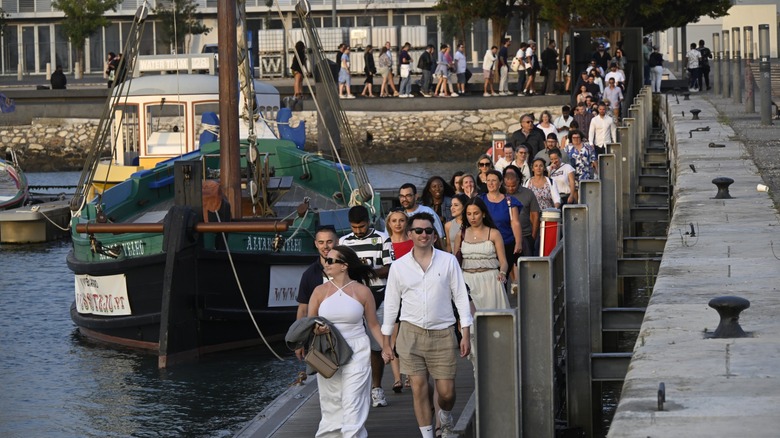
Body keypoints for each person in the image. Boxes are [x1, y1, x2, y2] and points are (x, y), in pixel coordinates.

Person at [381, 212, 473, 438]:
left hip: (443, 333)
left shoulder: (448, 260)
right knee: (419, 388)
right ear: (410, 234)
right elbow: (391, 306)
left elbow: (460, 297)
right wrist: (386, 342)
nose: (424, 234)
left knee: (447, 393)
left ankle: (445, 415)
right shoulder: (399, 267)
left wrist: (466, 333)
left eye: (429, 231)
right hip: (410, 333)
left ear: (434, 235)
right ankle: (428, 434)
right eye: (419, 231)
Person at [306, 245, 386, 437]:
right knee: (331, 400)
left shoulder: (362, 291)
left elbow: (373, 325)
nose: (326, 263)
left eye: (331, 260)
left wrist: (386, 347)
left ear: (344, 266)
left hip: (357, 349)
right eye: (326, 260)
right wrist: (317, 328)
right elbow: (309, 322)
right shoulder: (319, 291)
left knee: (353, 399)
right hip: (327, 349)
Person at [339, 206, 393, 408]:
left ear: (368, 221)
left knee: (375, 346)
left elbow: (390, 267)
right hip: (352, 298)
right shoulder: (344, 242)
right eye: (354, 227)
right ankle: (355, 389)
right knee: (351, 344)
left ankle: (377, 388)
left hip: (377, 295)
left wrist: (365, 272)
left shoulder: (382, 239)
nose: (359, 230)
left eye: (361, 226)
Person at [454, 197, 510, 309]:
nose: (472, 217)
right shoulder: (460, 234)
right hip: (467, 281)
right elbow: (455, 262)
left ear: (483, 214)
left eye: (476, 213)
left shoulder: (494, 234)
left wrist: (502, 273)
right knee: (471, 321)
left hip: (490, 281)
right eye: (469, 214)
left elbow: (503, 262)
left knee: (494, 320)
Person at [294, 226, 339, 359]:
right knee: (325, 375)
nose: (325, 246)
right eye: (321, 242)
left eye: (329, 242)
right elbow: (303, 309)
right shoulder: (309, 275)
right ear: (315, 244)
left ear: (337, 242)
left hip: (349, 331)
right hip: (321, 336)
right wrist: (299, 341)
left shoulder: (348, 270)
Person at [384, 208, 412, 393]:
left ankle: (410, 374)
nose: (398, 224)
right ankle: (396, 378)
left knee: (408, 335)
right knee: (393, 335)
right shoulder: (386, 244)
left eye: (401, 220)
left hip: (410, 292)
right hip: (393, 292)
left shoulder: (412, 242)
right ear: (389, 223)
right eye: (394, 220)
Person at [478, 170, 523, 270]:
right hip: (485, 245)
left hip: (506, 243)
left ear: (500, 182)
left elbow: (515, 223)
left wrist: (518, 242)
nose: (490, 183)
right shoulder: (480, 200)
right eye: (488, 180)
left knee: (503, 276)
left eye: (493, 180)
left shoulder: (510, 201)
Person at [502, 165, 540, 260]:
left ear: (518, 181)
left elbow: (535, 216)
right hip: (505, 236)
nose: (510, 188)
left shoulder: (528, 193)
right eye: (508, 186)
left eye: (513, 186)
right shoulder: (500, 195)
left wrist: (533, 237)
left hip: (525, 236)